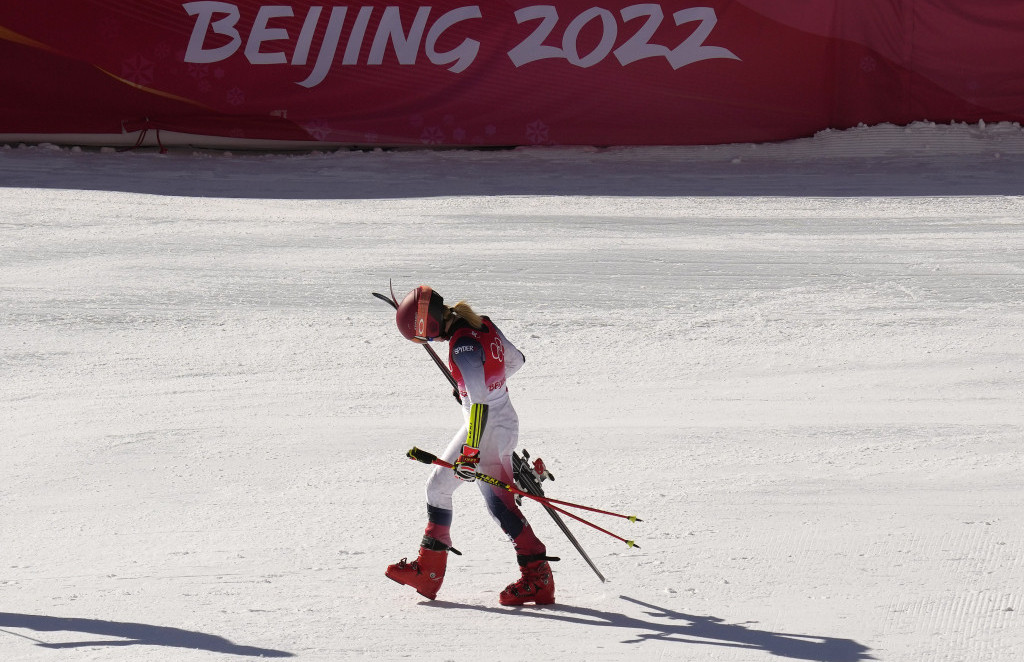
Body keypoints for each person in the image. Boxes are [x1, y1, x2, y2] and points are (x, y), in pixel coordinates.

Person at [385, 285, 557, 605]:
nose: (431, 343)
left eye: (425, 338)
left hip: (486, 430)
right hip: (497, 422)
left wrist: (470, 452)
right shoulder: (483, 324)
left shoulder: (462, 346)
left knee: (499, 506)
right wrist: (473, 383)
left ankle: (538, 576)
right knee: (438, 487)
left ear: (429, 326)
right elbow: (516, 361)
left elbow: (478, 404)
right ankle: (429, 572)